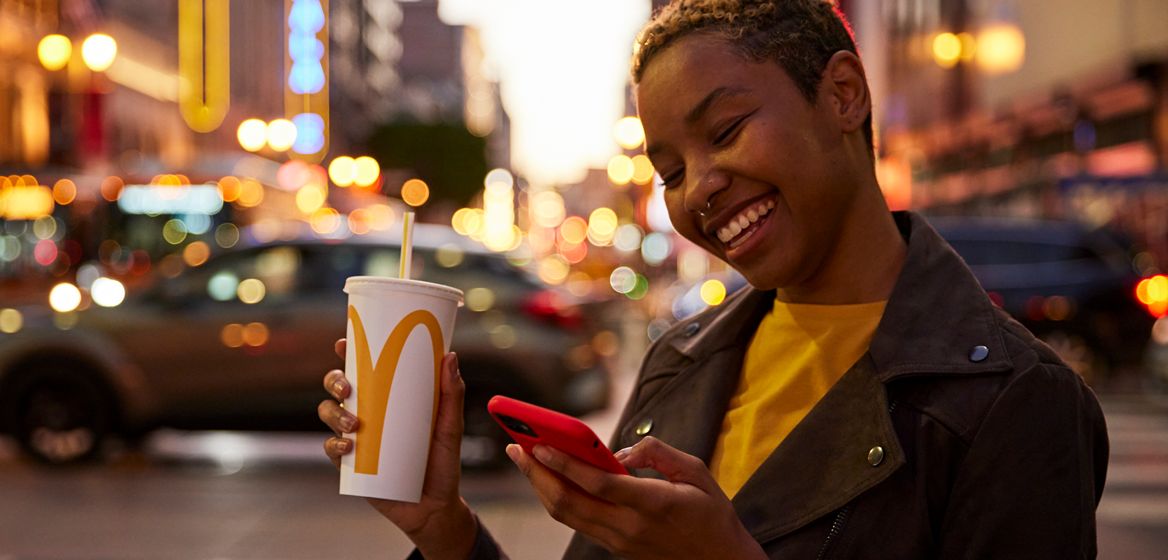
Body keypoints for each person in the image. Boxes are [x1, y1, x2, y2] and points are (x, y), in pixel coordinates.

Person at [317, 0, 1109, 558]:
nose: (698, 188)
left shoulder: (1017, 402)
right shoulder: (681, 359)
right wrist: (444, 530)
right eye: (669, 170)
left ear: (843, 95)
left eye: (725, 131)